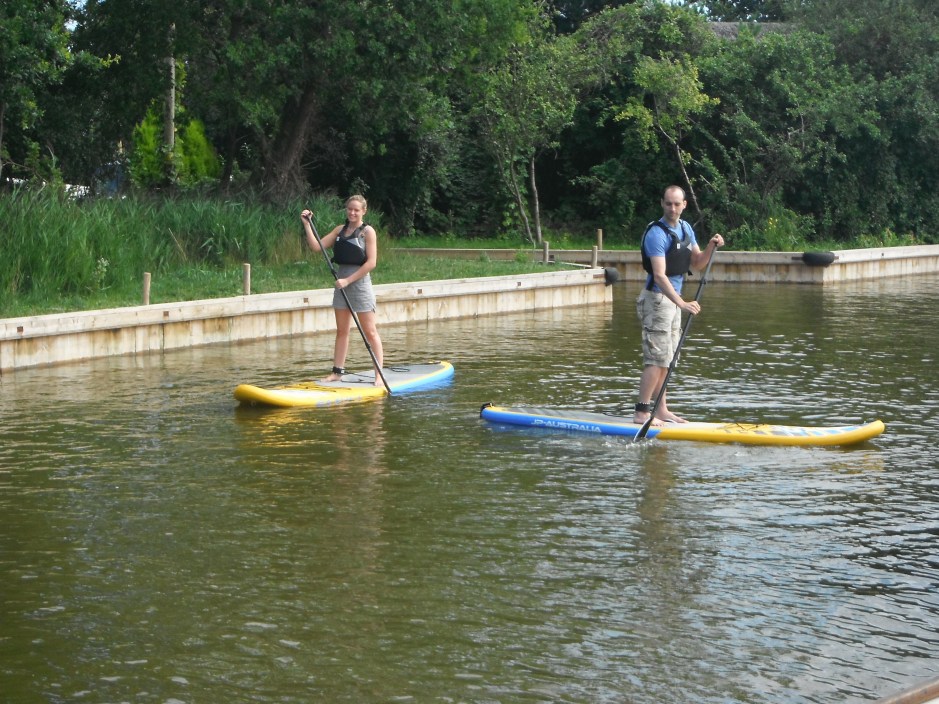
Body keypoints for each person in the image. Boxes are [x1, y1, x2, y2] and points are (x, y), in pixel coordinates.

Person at [633, 185, 723, 425]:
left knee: (668, 358)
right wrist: (682, 303)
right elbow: (660, 275)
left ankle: (661, 409)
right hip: (657, 300)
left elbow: (697, 263)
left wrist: (711, 247)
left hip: (673, 301)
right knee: (656, 358)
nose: (672, 208)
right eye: (668, 203)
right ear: (662, 204)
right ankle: (642, 412)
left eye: (677, 204)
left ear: (684, 205)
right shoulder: (656, 234)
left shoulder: (685, 229)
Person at [301, 195, 384, 386]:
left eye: (356, 210)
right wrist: (307, 224)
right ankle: (337, 373)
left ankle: (378, 374)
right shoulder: (340, 230)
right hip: (341, 283)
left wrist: (348, 280)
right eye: (349, 209)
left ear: (364, 211)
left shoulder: (367, 232)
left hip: (360, 284)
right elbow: (316, 247)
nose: (352, 213)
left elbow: (371, 262)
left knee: (370, 331)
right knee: (342, 331)